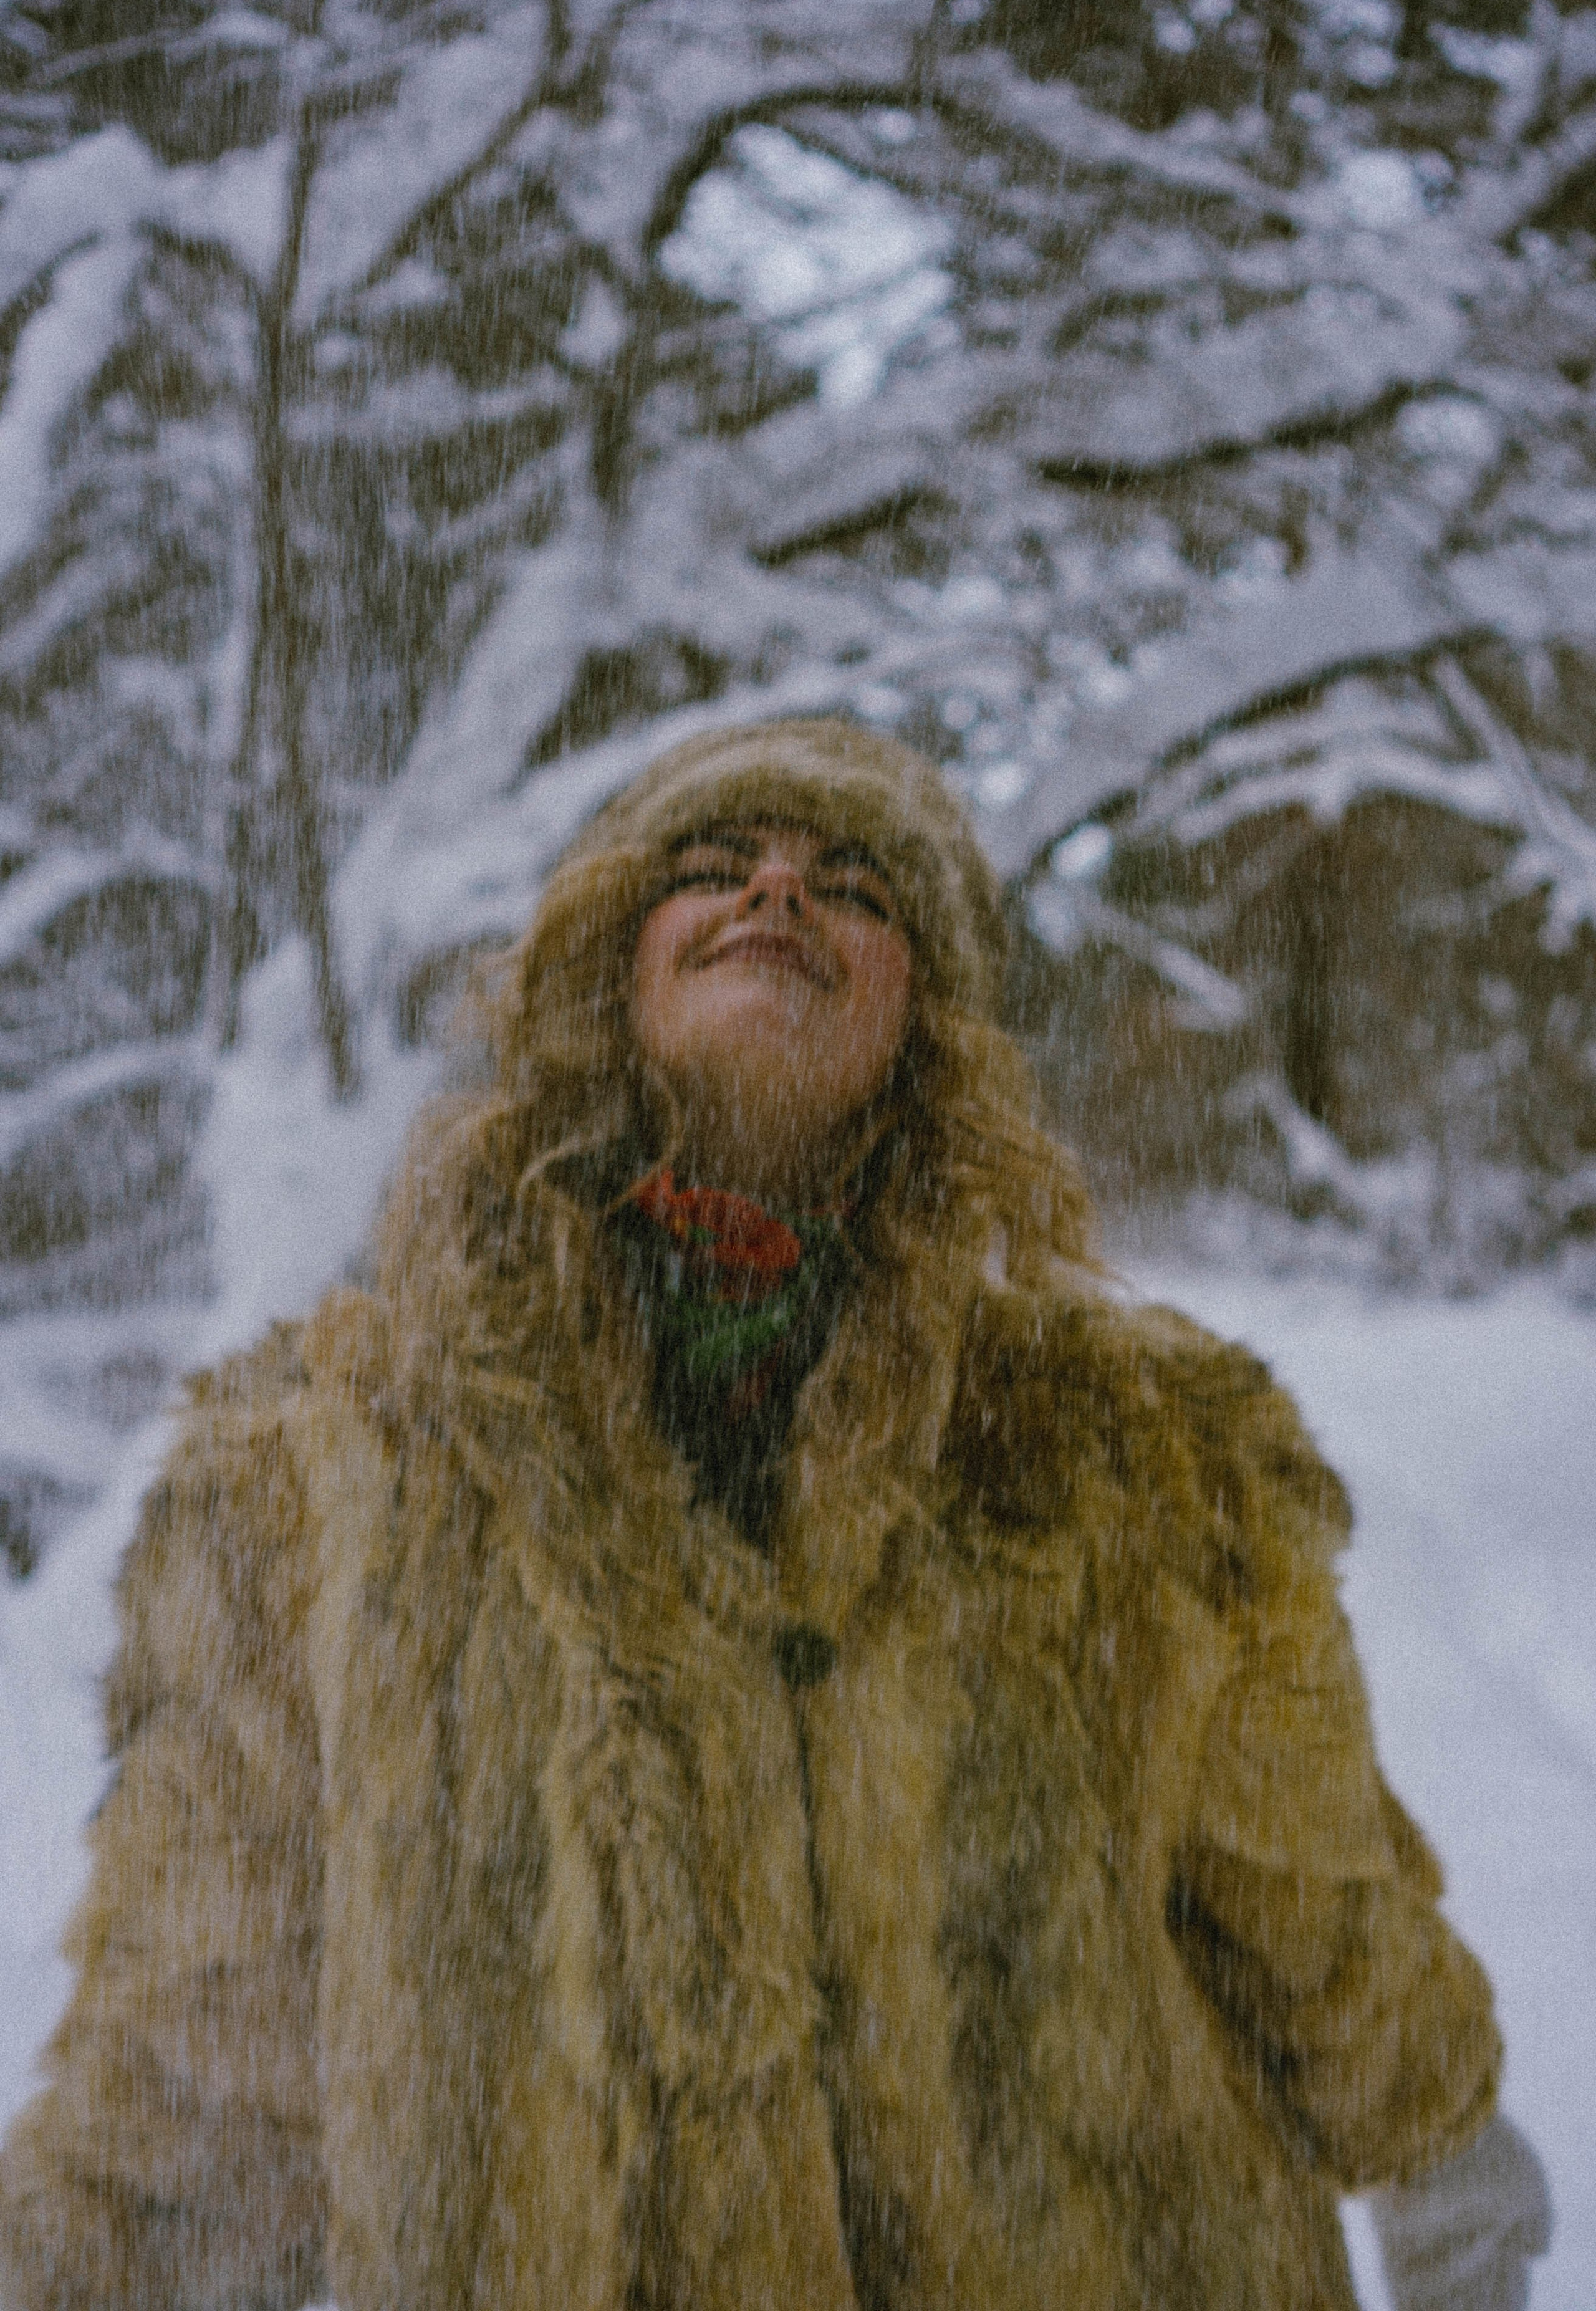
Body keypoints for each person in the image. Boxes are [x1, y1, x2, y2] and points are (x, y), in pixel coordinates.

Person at [0, 718, 1551, 2311]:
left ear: (923, 1022)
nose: (778, 893)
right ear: (610, 969)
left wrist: (1441, 2165)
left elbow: (1314, 1903)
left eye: (854, 885)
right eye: (707, 868)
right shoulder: (312, 1483)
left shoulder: (1140, 1451)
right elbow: (189, 2072)